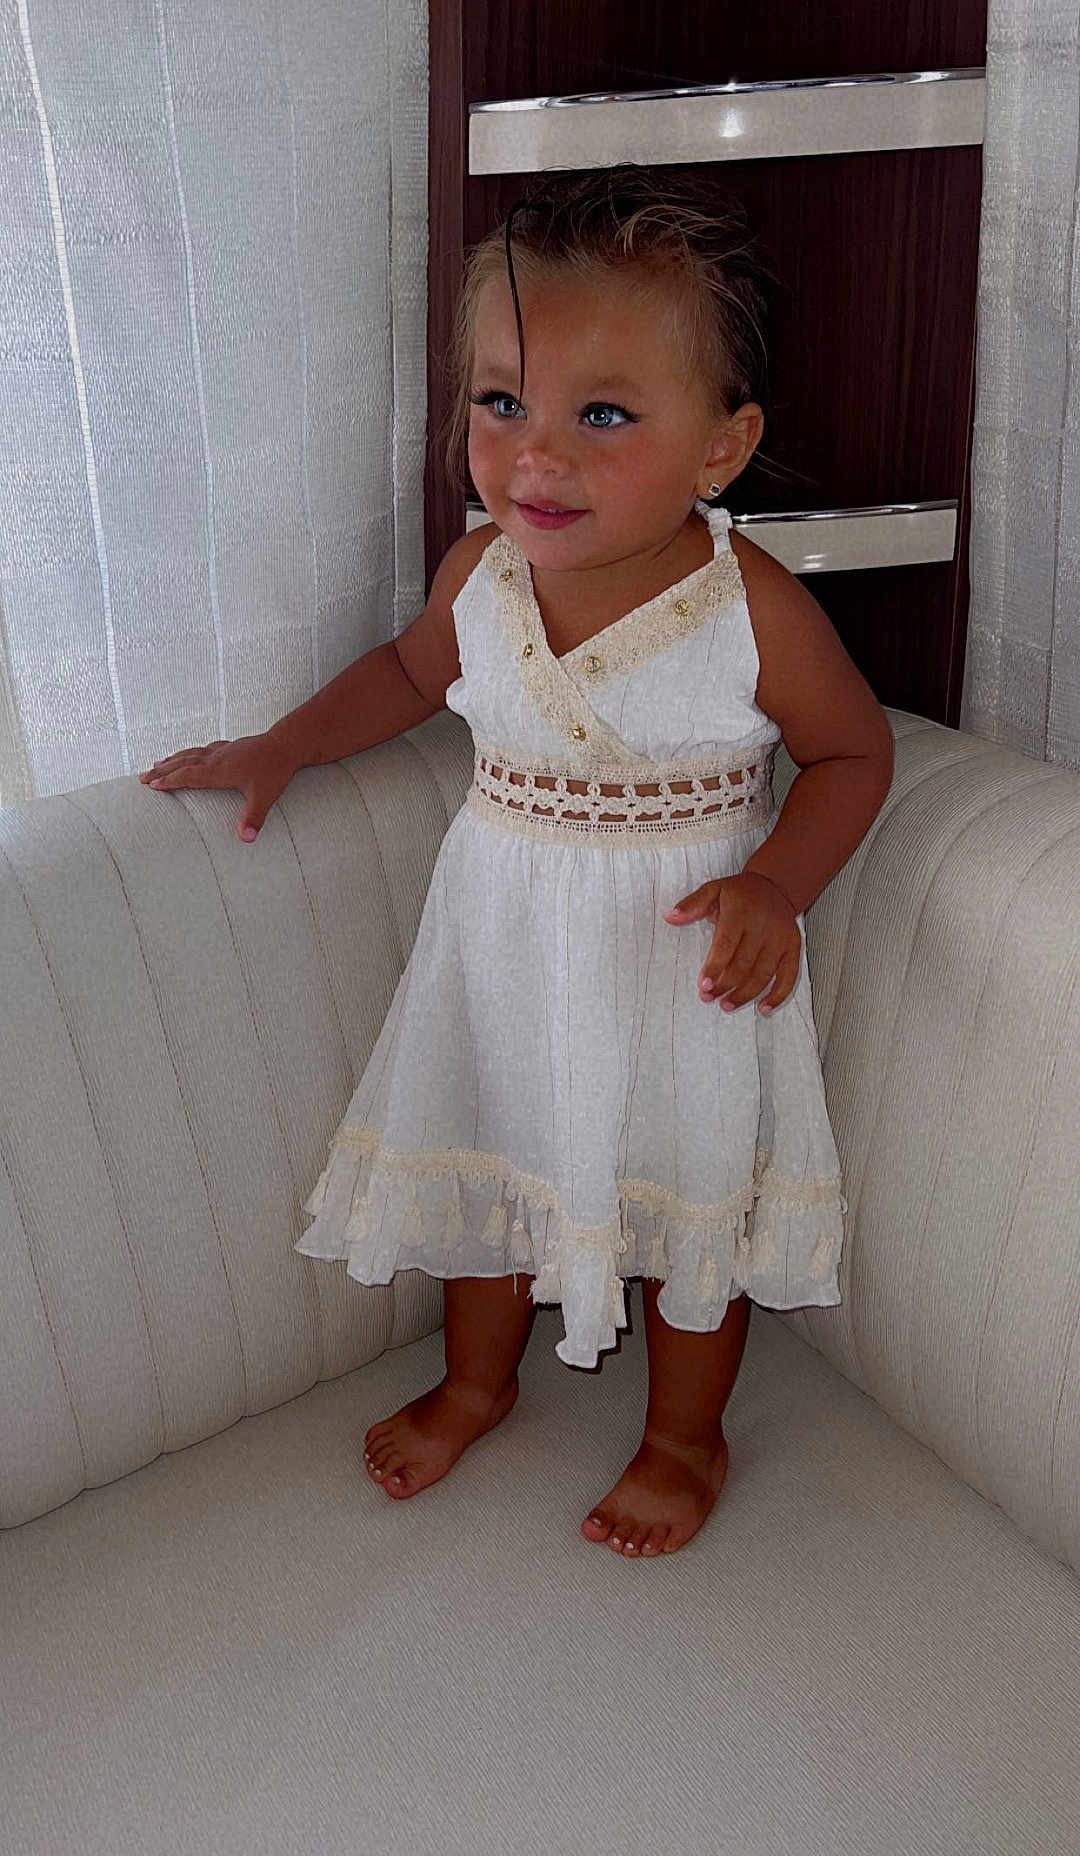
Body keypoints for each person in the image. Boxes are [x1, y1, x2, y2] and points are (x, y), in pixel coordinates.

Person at [139, 164, 893, 1559]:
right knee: (486, 1168)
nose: (537, 457)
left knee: (689, 1204)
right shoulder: (477, 576)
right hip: (498, 948)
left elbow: (853, 756)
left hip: (682, 975)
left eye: (603, 416)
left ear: (721, 448)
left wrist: (778, 885)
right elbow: (409, 674)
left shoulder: (750, 609)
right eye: (503, 404)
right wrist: (288, 743)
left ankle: (683, 1436)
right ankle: (477, 1381)